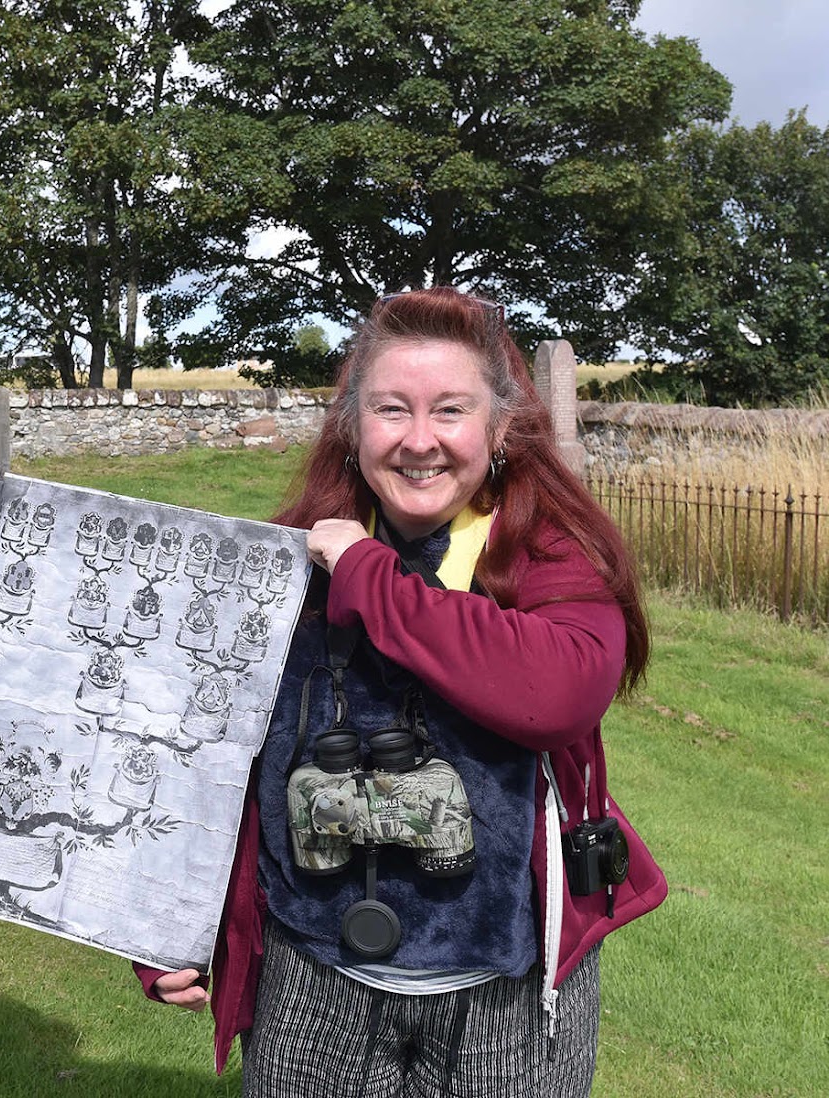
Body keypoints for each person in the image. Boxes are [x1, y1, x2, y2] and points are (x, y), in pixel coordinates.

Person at [137, 288, 667, 1096]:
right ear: (353, 429)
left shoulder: (552, 556)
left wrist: (368, 578)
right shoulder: (294, 563)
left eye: (450, 410)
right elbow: (206, 759)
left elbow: (555, 692)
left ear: (500, 430)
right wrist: (170, 929)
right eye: (392, 409)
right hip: (314, 980)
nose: (421, 441)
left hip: (505, 993)